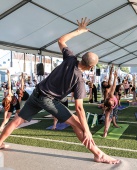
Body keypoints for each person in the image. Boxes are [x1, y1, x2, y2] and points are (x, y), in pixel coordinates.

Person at [0, 18, 119, 164]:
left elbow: (61, 40)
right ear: (91, 67)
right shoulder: (79, 80)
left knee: (17, 121)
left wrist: (79, 31)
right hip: (47, 99)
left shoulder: (70, 58)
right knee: (77, 123)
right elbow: (80, 108)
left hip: (37, 93)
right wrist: (87, 130)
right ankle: (98, 154)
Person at [103, 68, 120, 138]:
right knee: (108, 119)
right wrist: (105, 132)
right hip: (109, 107)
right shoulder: (107, 92)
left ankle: (114, 123)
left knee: (114, 115)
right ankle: (105, 132)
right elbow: (106, 120)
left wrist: (115, 77)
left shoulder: (111, 95)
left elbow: (114, 86)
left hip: (114, 105)